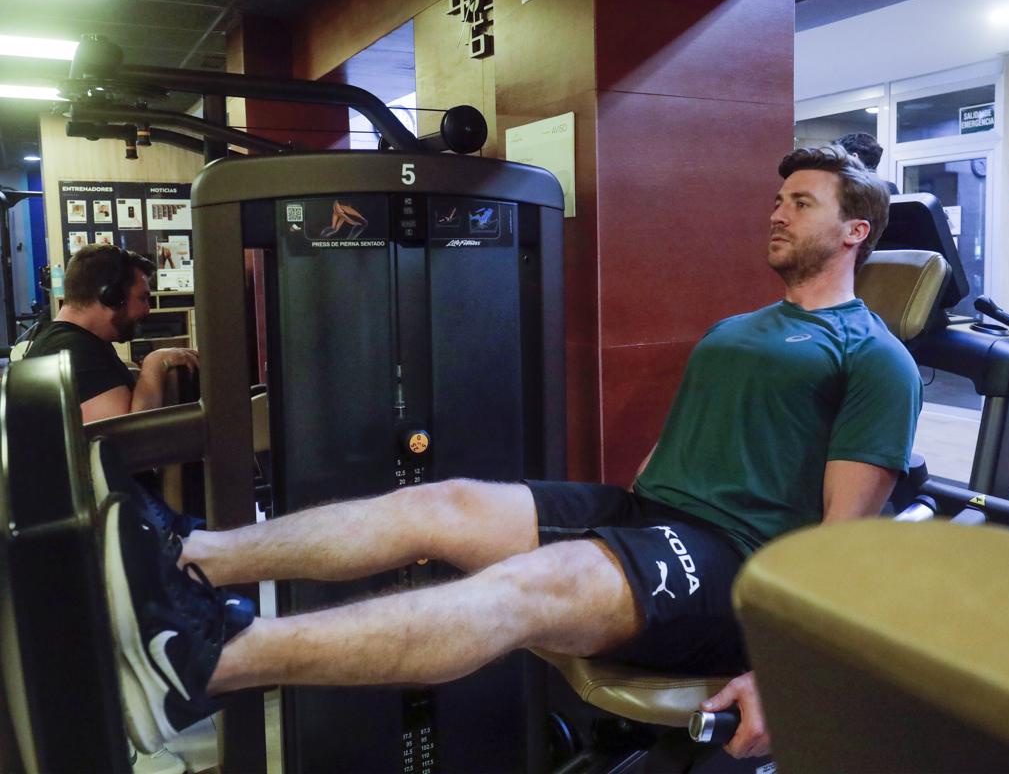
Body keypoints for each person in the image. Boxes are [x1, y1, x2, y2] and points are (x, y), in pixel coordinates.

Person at [104, 146, 922, 759]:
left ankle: (206, 665)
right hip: (651, 515)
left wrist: (790, 669)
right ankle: (189, 558)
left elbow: (839, 543)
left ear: (855, 231)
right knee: (442, 503)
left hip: (738, 568)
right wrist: (627, 515)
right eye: (778, 199)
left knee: (523, 589)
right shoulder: (743, 324)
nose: (776, 212)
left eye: (801, 203)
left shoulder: (877, 358)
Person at [25, 244, 199, 424]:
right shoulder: (75, 351)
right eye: (142, 298)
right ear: (111, 297)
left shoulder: (72, 342)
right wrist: (155, 363)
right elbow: (132, 436)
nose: (147, 309)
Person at [835, 131, 899, 194]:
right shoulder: (890, 188)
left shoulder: (843, 191)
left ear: (854, 158)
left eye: (840, 156)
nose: (836, 162)